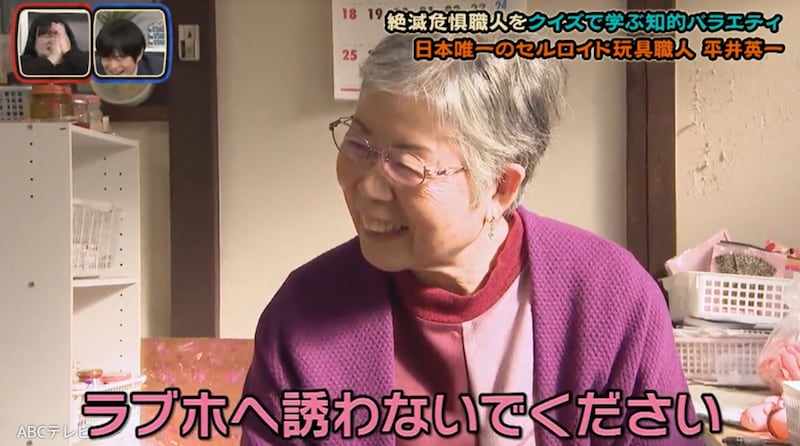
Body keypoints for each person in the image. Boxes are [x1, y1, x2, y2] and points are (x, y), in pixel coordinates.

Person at [240, 32, 704, 446]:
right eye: (359, 145)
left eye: (407, 165)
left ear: (500, 187)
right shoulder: (303, 312)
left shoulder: (613, 297)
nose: (369, 187)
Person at [18, 13, 90, 77]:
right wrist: (53, 58)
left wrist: (68, 52)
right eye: (47, 35)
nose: (52, 41)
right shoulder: (21, 64)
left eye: (57, 35)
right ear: (34, 40)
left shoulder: (85, 60)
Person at [94, 18, 161, 76]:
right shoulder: (93, 70)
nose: (113, 66)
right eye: (106, 58)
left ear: (139, 54)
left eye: (119, 59)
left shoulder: (157, 71)